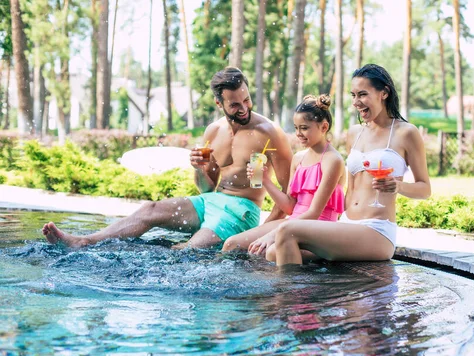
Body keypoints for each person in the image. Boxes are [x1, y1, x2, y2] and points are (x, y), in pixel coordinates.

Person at [42, 67, 293, 249]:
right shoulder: (213, 132)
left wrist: (262, 233)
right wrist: (198, 168)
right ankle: (85, 241)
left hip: (242, 211)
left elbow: (289, 194)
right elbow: (207, 188)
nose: (244, 108)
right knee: (150, 210)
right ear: (219, 103)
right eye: (235, 105)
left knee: (191, 251)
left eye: (246, 100)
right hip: (211, 201)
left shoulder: (269, 133)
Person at [271, 63, 431, 266]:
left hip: (376, 229)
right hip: (347, 223)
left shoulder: (406, 133)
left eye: (362, 94)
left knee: (287, 231)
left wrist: (398, 186)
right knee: (273, 252)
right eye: (353, 95)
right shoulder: (356, 132)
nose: (356, 102)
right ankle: (304, 294)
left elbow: (425, 189)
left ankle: (288, 296)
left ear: (384, 93)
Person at [222, 94, 346, 260]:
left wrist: (274, 234)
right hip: (293, 223)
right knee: (232, 245)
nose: (298, 134)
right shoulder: (299, 158)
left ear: (324, 127)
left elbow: (314, 213)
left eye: (304, 128)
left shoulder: (333, 160)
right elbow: (290, 207)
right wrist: (266, 180)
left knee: (271, 251)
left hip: (319, 230)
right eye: (296, 128)